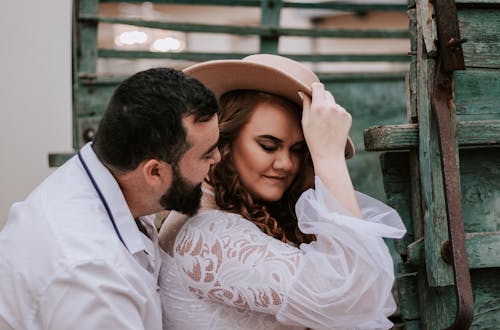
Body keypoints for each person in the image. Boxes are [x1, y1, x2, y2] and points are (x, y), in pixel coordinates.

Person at [158, 54, 406, 330]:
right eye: (268, 145)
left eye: (299, 150)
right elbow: (358, 297)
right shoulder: (207, 235)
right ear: (224, 141)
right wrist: (328, 157)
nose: (286, 164)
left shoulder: (228, 213)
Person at [0, 68, 221, 329]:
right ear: (154, 172)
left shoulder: (115, 180)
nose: (218, 158)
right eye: (206, 154)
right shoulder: (91, 277)